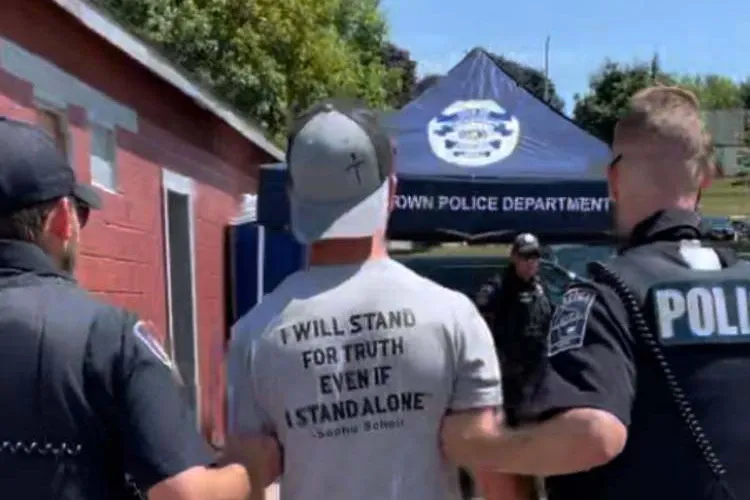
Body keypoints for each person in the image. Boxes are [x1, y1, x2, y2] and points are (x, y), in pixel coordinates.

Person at [440, 85, 750, 500]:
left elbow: (593, 434)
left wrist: (481, 445)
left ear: (614, 178)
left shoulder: (604, 295)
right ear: (705, 179)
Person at [226, 100, 510, 500]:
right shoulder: (453, 316)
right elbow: (492, 465)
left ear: (292, 196)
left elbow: (248, 480)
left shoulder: (252, 336)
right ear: (391, 192)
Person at [0, 116, 267, 500]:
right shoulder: (108, 336)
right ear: (61, 220)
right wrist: (251, 470)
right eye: (81, 214)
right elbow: (185, 496)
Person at [475, 232, 552, 427]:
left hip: (538, 371)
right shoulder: (499, 288)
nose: (531, 262)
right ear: (514, 258)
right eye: (525, 256)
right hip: (511, 374)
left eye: (535, 256)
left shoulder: (540, 286)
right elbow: (479, 320)